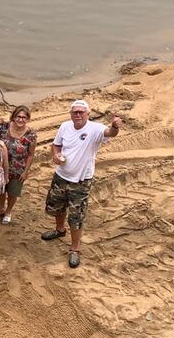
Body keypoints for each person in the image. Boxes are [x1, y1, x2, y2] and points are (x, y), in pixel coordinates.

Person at [42, 100, 122, 268]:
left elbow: (110, 133)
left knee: (76, 216)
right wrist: (56, 156)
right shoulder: (64, 126)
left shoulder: (95, 129)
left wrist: (115, 126)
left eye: (81, 112)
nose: (78, 114)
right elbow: (56, 145)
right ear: (71, 114)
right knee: (57, 206)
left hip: (81, 181)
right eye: (75, 112)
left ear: (87, 114)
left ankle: (75, 248)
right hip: (60, 176)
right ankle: (59, 229)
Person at [0, 105, 37, 224]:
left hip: (18, 169)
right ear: (14, 116)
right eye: (18, 116)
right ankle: (1, 208)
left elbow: (30, 155)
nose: (20, 119)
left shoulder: (31, 135)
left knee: (13, 192)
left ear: (27, 119)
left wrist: (25, 171)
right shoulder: (4, 127)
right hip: (1, 166)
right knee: (1, 190)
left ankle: (8, 211)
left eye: (24, 117)